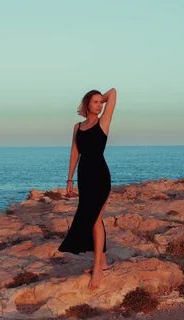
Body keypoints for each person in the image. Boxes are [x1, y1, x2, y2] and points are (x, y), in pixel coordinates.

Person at [57, 88, 117, 290]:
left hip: (100, 176)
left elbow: (114, 92)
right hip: (84, 177)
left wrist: (100, 98)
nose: (100, 105)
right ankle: (104, 261)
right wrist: (69, 180)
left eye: (101, 102)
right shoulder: (78, 127)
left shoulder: (103, 122)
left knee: (94, 221)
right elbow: (74, 153)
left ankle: (98, 268)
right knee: (95, 219)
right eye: (95, 102)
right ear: (86, 105)